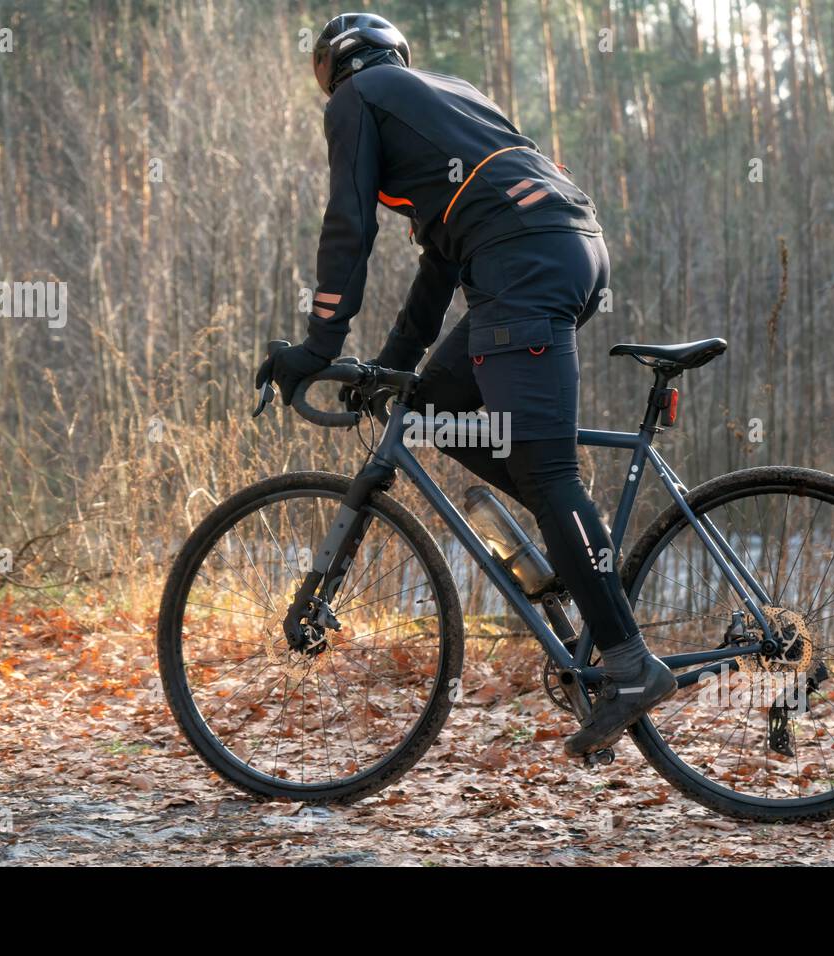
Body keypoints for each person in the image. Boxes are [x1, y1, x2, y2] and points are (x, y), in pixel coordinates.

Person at [257, 12, 674, 757]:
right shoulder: (447, 95)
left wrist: (319, 343)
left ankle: (631, 665)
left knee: (547, 474)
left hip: (524, 264)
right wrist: (391, 366)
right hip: (557, 250)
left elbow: (347, 224)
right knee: (426, 409)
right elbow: (440, 265)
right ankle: (565, 555)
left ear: (331, 70)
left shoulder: (357, 100)